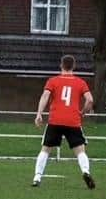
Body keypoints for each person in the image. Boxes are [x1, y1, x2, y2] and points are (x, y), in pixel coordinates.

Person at [32, 55, 95, 189]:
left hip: (55, 120)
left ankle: (37, 177)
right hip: (73, 120)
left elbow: (45, 96)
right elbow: (90, 100)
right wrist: (83, 112)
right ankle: (86, 171)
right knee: (80, 150)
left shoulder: (53, 81)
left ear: (61, 65)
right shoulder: (80, 82)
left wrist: (39, 114)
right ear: (74, 66)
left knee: (46, 149)